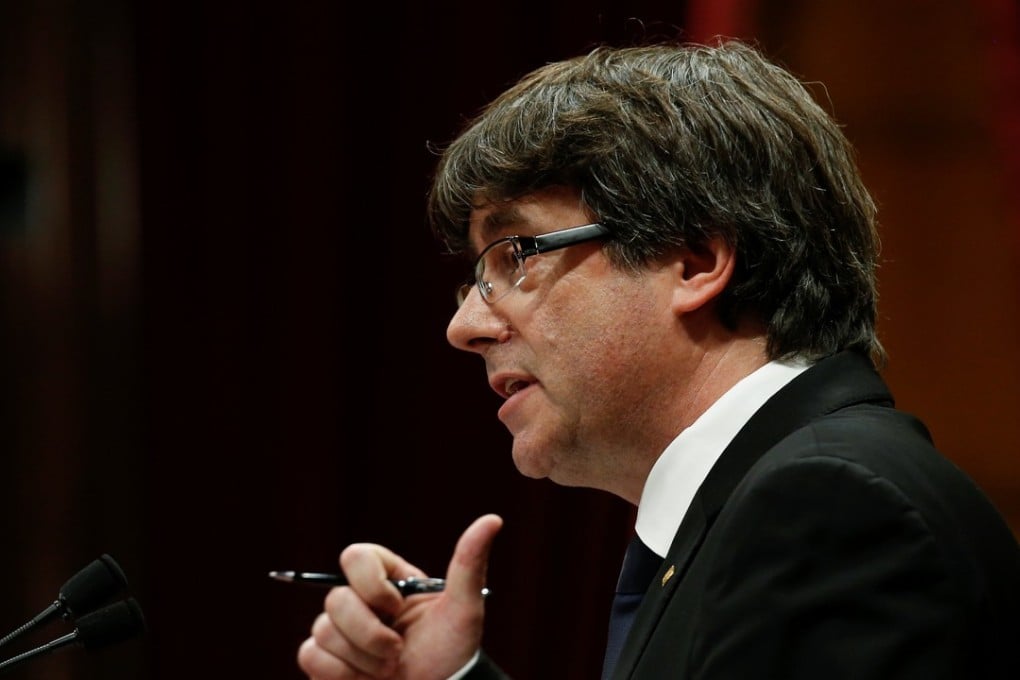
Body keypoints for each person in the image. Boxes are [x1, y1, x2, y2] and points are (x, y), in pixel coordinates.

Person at [296, 38, 1020, 679]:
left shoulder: (827, 510)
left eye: (515, 254)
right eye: (473, 277)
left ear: (695, 260)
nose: (465, 325)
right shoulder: (766, 503)